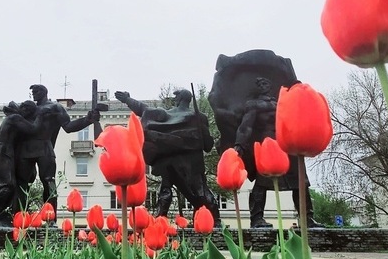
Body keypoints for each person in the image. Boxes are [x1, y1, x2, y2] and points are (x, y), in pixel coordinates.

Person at [115, 88, 220, 224]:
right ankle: (215, 221)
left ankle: (159, 221)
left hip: (171, 160)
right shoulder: (200, 117)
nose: (174, 100)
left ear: (180, 99)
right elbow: (207, 145)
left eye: (176, 97)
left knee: (167, 189)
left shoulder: (167, 115)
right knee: (199, 190)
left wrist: (128, 100)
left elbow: (145, 110)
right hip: (192, 160)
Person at [232, 77, 321, 229]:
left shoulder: (282, 102)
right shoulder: (254, 105)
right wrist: (239, 145)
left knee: (300, 182)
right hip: (268, 144)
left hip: (288, 143)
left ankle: (307, 219)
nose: (263, 85)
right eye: (259, 84)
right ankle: (257, 218)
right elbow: (246, 127)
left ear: (271, 86)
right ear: (257, 88)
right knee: (261, 183)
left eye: (265, 83)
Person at [13, 84, 100, 217]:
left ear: (44, 92)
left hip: (44, 148)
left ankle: (50, 217)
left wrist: (88, 120)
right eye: (33, 92)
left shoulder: (55, 107)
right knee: (21, 183)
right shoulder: (28, 108)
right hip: (26, 149)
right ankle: (18, 217)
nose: (34, 94)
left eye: (36, 91)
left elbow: (69, 127)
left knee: (49, 181)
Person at [0, 100, 40, 226]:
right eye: (29, 113)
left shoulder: (15, 118)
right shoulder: (15, 118)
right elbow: (33, 130)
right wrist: (42, 118)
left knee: (5, 184)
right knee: (5, 184)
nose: (28, 116)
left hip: (6, 151)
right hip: (3, 152)